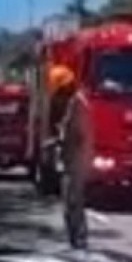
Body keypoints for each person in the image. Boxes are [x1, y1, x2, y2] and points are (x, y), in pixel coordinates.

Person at [60, 79, 92, 249]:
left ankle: (78, 238)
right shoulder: (81, 102)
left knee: (72, 201)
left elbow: (76, 134)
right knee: (73, 201)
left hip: (74, 162)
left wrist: (62, 142)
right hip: (77, 161)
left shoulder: (77, 103)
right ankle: (77, 237)